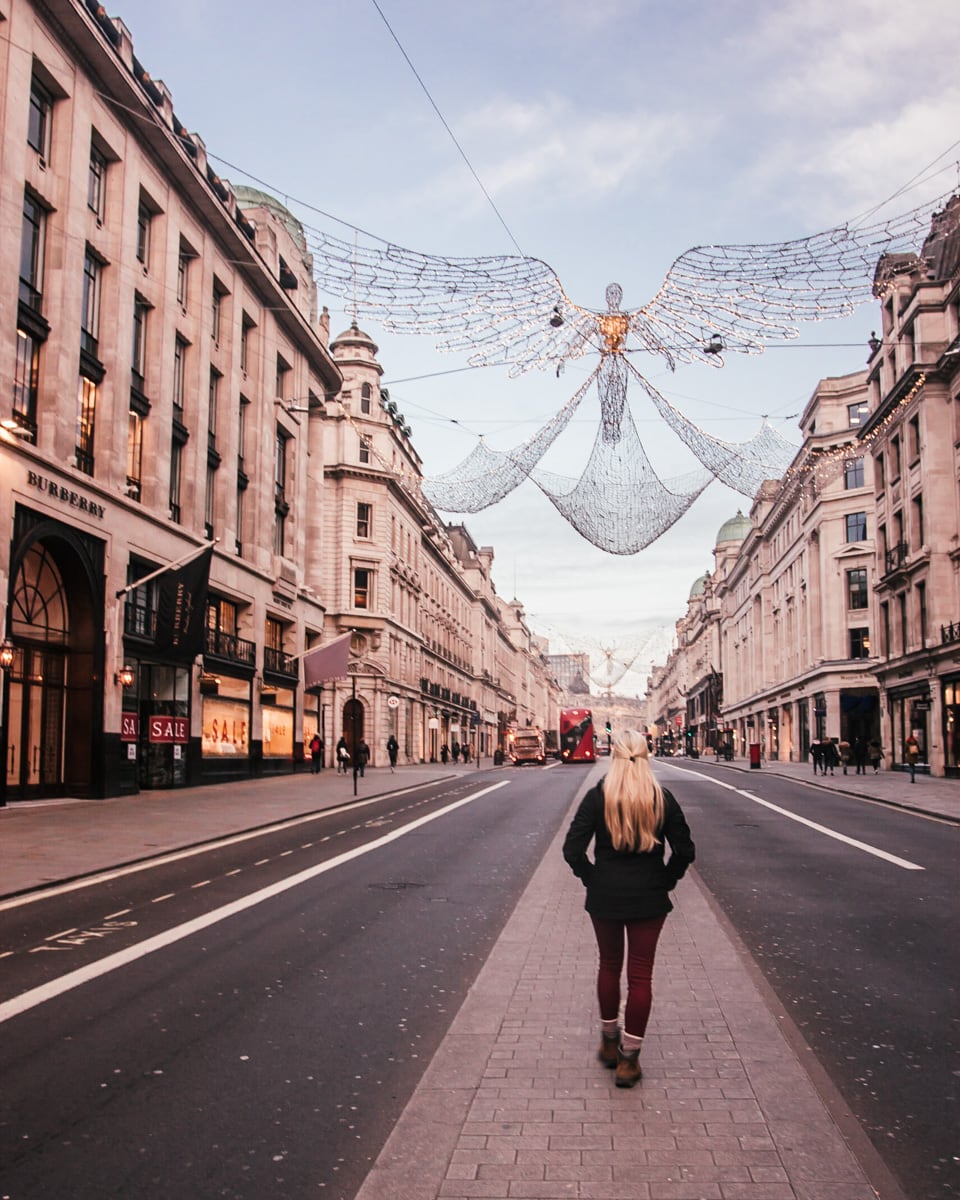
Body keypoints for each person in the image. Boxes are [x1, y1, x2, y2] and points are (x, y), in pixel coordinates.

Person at [562, 729, 695, 1089]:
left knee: (608, 965)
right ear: (646, 756)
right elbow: (685, 851)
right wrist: (667, 880)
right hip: (649, 897)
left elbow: (572, 849)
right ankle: (629, 1059)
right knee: (640, 976)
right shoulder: (661, 797)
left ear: (616, 758)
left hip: (605, 895)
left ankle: (608, 1042)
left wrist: (592, 878)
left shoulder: (598, 797)